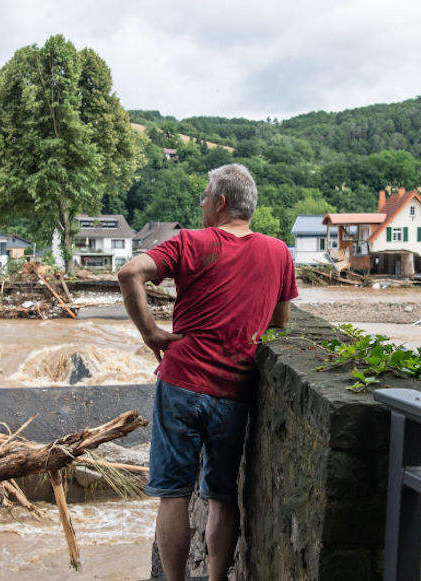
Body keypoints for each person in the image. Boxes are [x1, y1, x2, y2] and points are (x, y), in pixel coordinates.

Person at [117, 163, 298, 581]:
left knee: (173, 495)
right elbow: (282, 321)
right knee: (221, 496)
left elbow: (130, 273)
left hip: (181, 381)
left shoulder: (191, 242)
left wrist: (151, 333)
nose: (200, 203)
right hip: (235, 388)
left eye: (203, 196)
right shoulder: (277, 252)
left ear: (220, 202)